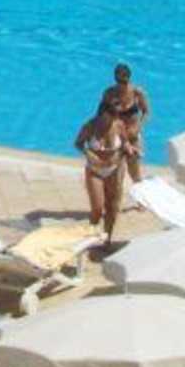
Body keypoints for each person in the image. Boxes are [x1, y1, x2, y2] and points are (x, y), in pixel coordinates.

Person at [74, 111, 129, 242]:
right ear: (103, 113)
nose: (114, 118)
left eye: (115, 115)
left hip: (115, 169)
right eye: (112, 115)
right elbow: (78, 143)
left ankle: (107, 240)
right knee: (97, 208)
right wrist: (88, 153)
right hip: (95, 170)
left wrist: (128, 149)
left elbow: (125, 143)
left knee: (112, 207)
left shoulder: (119, 125)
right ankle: (90, 237)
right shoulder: (90, 126)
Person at [94, 63, 151, 182]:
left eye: (124, 81)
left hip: (133, 136)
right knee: (116, 175)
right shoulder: (109, 93)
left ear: (129, 78)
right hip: (116, 137)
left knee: (135, 173)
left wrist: (139, 127)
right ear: (115, 78)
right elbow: (100, 114)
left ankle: (140, 193)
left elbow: (146, 112)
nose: (121, 84)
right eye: (119, 81)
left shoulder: (137, 93)